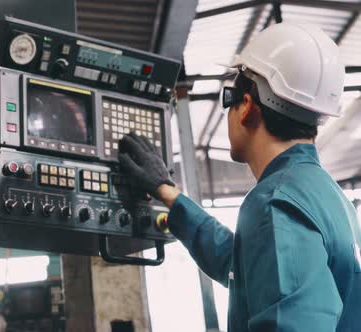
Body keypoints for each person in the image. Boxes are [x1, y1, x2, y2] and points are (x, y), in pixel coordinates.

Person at [118, 23, 361, 332]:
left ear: (245, 106)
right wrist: (168, 192)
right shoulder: (330, 197)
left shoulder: (277, 202)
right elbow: (244, 267)